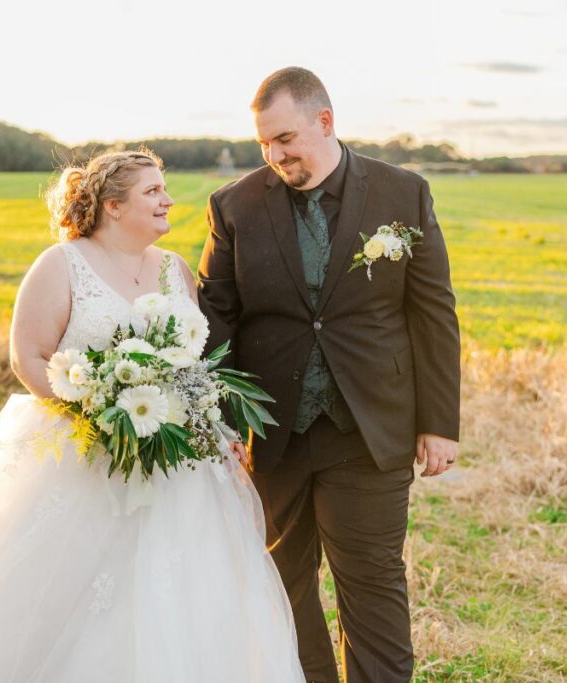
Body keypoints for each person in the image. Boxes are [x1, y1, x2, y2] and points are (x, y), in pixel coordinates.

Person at [0, 149, 306, 682]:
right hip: (80, 450)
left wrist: (208, 427)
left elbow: (194, 361)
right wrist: (96, 413)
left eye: (163, 189)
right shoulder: (61, 264)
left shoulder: (173, 270)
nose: (167, 200)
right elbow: (28, 356)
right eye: (152, 191)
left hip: (174, 457)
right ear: (113, 206)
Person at [198, 67, 461, 682]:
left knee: (372, 582)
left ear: (326, 121)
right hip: (272, 434)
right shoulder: (233, 206)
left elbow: (433, 314)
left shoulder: (403, 193)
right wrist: (221, 423)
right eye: (264, 142)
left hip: (370, 428)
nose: (275, 154)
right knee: (281, 585)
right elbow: (216, 321)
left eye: (285, 138)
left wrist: (439, 423)